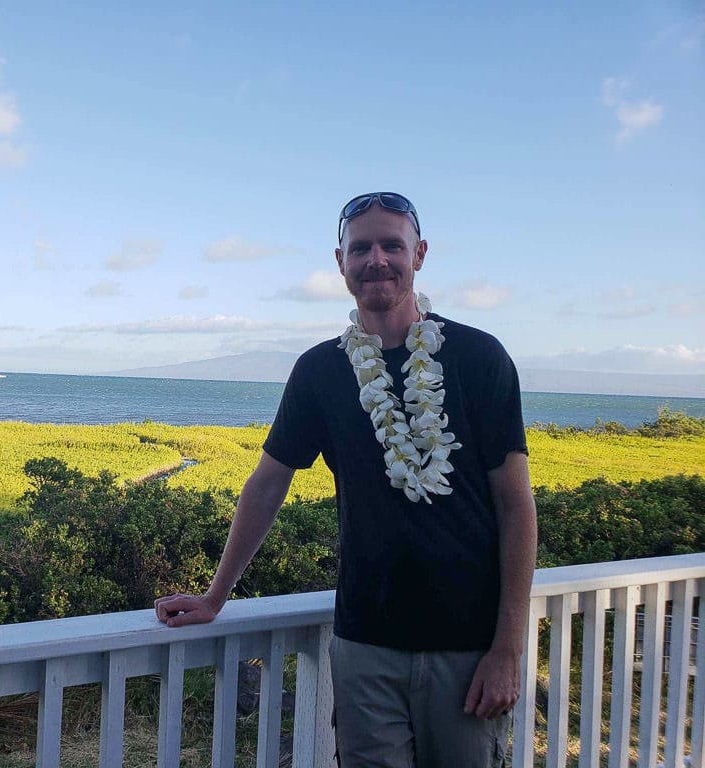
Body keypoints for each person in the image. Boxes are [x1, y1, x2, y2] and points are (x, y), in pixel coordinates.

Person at [154, 192, 537, 768]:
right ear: (340, 262)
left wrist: (508, 647)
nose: (376, 260)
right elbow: (267, 484)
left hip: (468, 646)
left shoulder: (479, 358)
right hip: (366, 645)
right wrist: (216, 595)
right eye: (361, 248)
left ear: (420, 254)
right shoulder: (320, 370)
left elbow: (515, 506)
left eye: (392, 245)